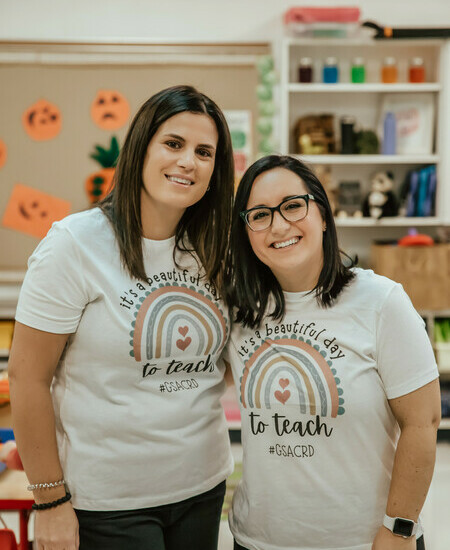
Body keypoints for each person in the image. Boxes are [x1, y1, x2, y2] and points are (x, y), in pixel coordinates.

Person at [8, 85, 235, 550]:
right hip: (108, 502)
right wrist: (49, 502)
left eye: (204, 151)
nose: (188, 161)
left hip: (204, 487)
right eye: (173, 144)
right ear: (140, 148)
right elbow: (27, 379)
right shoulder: (75, 244)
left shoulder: (216, 247)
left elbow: (226, 360)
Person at [223, 155, 441, 550]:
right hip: (256, 541)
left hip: (368, 542)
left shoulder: (380, 301)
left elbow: (422, 422)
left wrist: (399, 529)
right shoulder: (239, 311)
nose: (279, 225)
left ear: (322, 214)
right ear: (247, 232)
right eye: (259, 214)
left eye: (293, 205)